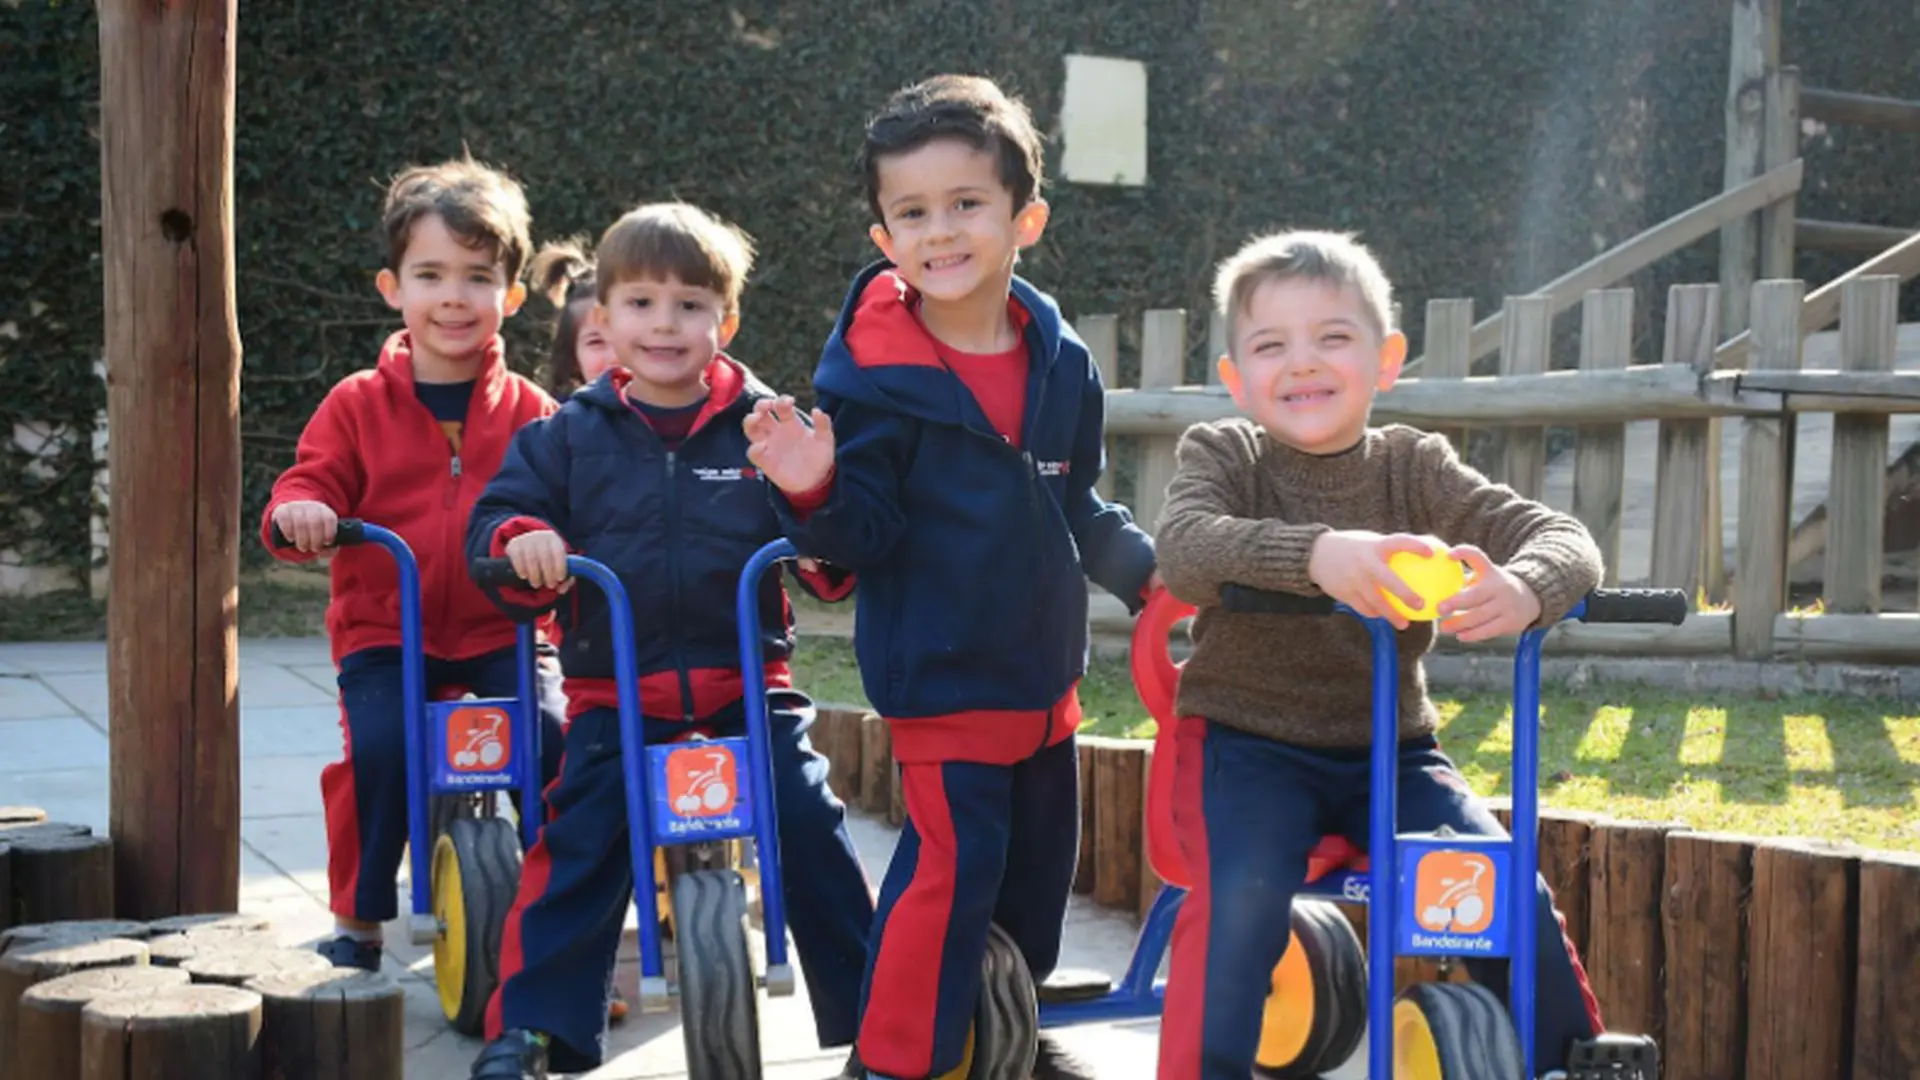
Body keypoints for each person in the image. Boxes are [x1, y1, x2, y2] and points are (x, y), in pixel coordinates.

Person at [743, 74, 1157, 1080]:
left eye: (966, 203)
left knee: (1033, 880)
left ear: (1025, 220)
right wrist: (813, 488)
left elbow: (1073, 501)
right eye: (913, 212)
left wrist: (1150, 580)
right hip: (940, 672)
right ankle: (891, 1060)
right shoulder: (873, 383)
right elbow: (864, 537)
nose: (940, 231)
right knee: (950, 877)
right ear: (885, 238)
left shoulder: (1061, 363)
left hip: (1043, 675)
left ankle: (1001, 1034)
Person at [1151, 228, 1616, 1080]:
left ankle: (1571, 1062)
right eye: (1270, 345)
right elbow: (1183, 548)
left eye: (1333, 337)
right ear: (1236, 377)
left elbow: (1561, 536)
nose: (1302, 362)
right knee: (1241, 895)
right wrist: (1317, 555)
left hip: (1394, 753)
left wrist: (1528, 587)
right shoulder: (1228, 455)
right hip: (1250, 745)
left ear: (1386, 360)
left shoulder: (1413, 466)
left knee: (1496, 880)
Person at [463, 201, 876, 1080]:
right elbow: (500, 517)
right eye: (642, 303)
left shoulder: (765, 426)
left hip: (747, 685)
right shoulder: (566, 435)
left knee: (809, 820)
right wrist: (523, 542)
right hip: (615, 692)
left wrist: (815, 504)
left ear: (726, 321)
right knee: (580, 843)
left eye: (690, 305)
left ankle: (880, 1024)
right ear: (603, 319)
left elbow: (832, 557)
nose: (664, 324)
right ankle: (532, 1027)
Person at [260, 156, 567, 973]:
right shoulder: (357, 402)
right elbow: (310, 480)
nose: (454, 297)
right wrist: (303, 514)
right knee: (381, 748)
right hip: (387, 631)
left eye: (478, 277)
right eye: (430, 275)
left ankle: (560, 928)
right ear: (392, 287)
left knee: (556, 741)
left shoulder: (535, 413)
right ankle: (358, 919)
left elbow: (565, 502)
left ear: (511, 296)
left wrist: (548, 544)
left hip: (506, 629)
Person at [527, 236, 620, 398]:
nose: (615, 357)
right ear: (574, 359)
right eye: (596, 342)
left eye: (627, 337)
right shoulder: (561, 414)